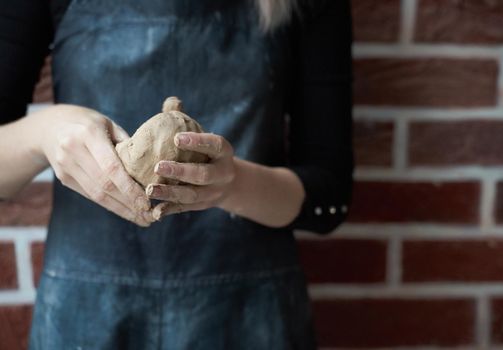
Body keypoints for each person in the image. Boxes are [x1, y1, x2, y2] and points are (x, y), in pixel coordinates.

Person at [0, 0, 352, 348]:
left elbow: (329, 195)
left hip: (246, 312)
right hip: (87, 314)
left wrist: (232, 184)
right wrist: (43, 132)